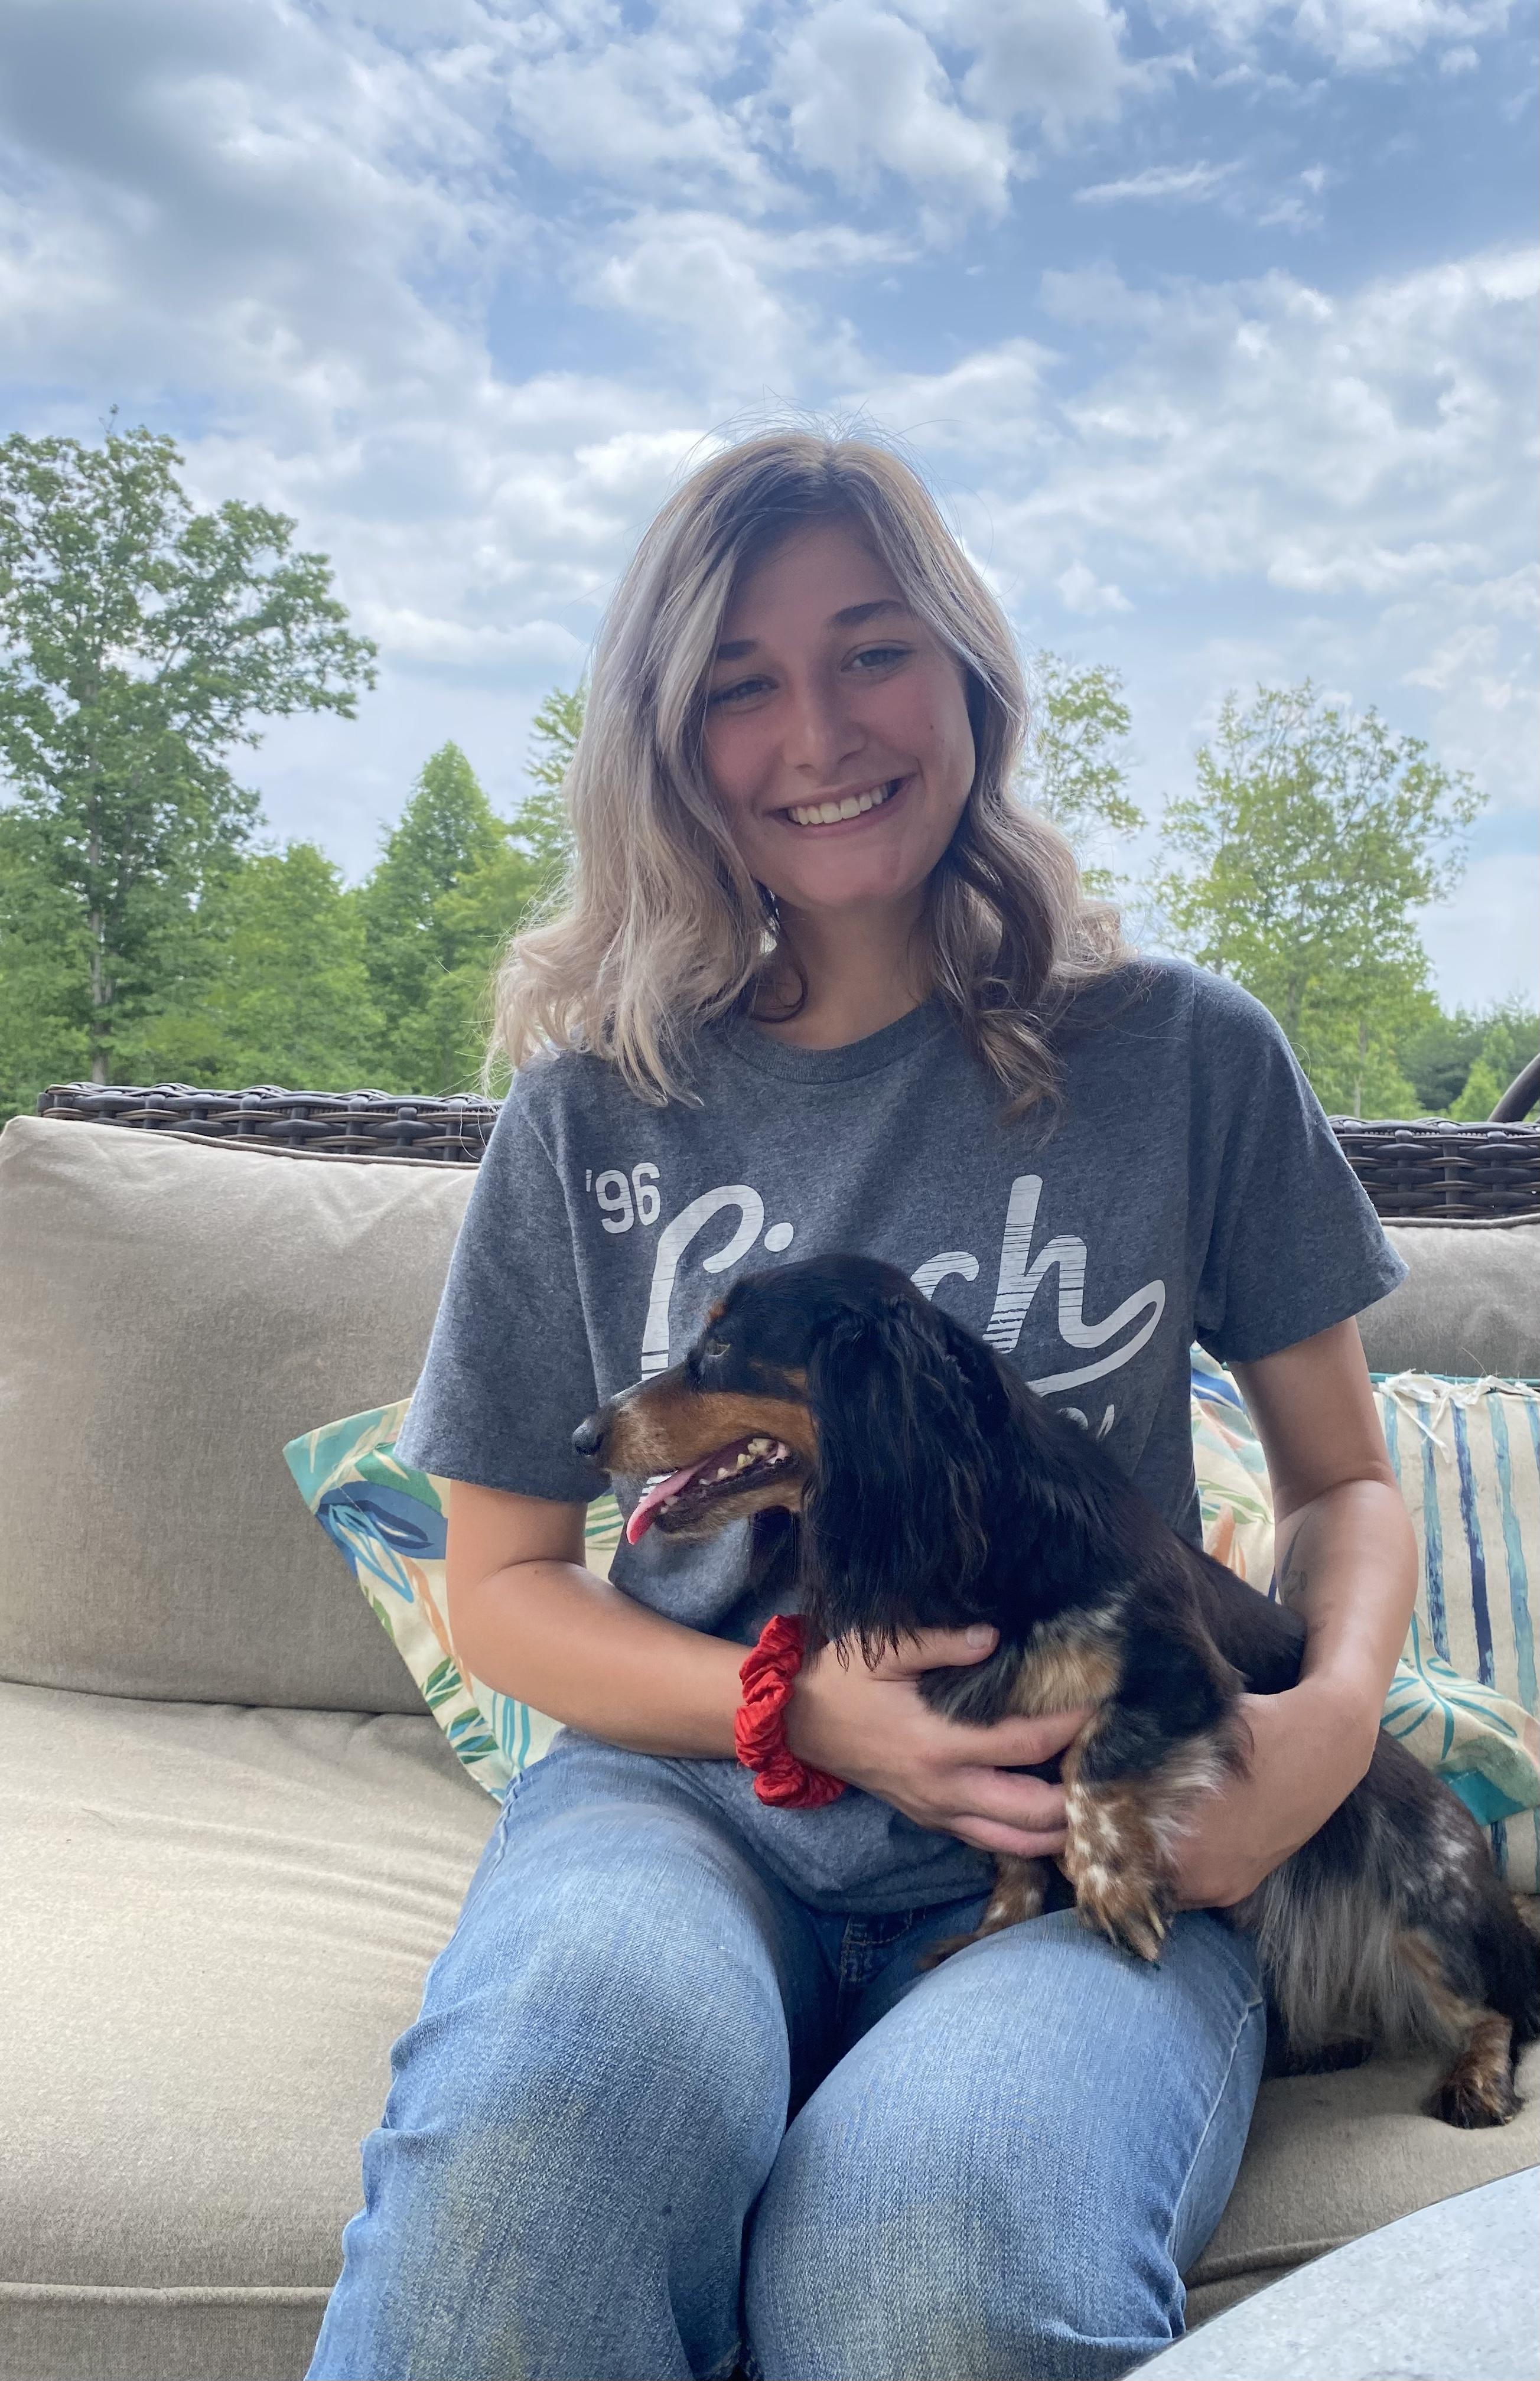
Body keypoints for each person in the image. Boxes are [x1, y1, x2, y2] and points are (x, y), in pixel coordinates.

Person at [307, 431, 1415, 2381]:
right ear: (671, 743)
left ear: (969, 673)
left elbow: (1344, 1486)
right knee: (531, 2163)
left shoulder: (1185, 1056)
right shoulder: (592, 1107)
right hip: (684, 1818)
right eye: (741, 682)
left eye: (873, 650)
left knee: (936, 2272)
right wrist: (803, 1712)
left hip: (1080, 1857)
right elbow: (500, 1586)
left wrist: (1318, 1740)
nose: (817, 732)